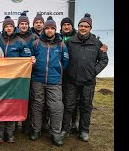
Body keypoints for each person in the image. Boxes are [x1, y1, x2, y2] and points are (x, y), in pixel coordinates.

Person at [60, 13, 108, 142]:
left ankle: (84, 131)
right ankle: (65, 129)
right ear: (78, 27)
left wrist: (93, 72)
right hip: (71, 81)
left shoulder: (97, 43)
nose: (83, 28)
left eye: (86, 26)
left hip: (88, 82)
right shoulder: (70, 42)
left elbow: (103, 60)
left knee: (86, 106)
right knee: (69, 105)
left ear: (90, 28)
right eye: (81, 26)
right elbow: (62, 57)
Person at [28, 16, 69, 146]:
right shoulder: (36, 43)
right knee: (37, 105)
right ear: (44, 29)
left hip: (54, 81)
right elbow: (30, 59)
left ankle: (55, 133)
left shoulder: (61, 45)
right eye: (47, 28)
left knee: (56, 107)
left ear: (55, 30)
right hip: (37, 79)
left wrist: (57, 72)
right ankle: (36, 130)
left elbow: (65, 62)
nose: (49, 30)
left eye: (52, 28)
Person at [0, 16, 33, 143]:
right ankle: (0, 133)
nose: (8, 28)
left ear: (14, 27)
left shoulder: (20, 41)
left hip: (15, 79)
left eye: (11, 26)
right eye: (6, 26)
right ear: (3, 28)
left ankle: (10, 132)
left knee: (11, 105)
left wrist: (30, 61)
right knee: (0, 105)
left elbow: (27, 58)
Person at [16, 12, 39, 135]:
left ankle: (26, 125)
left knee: (29, 99)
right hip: (16, 75)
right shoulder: (13, 36)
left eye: (26, 24)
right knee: (15, 99)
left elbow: (38, 53)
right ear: (18, 25)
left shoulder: (34, 37)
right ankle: (13, 124)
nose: (24, 26)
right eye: (21, 23)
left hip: (30, 73)